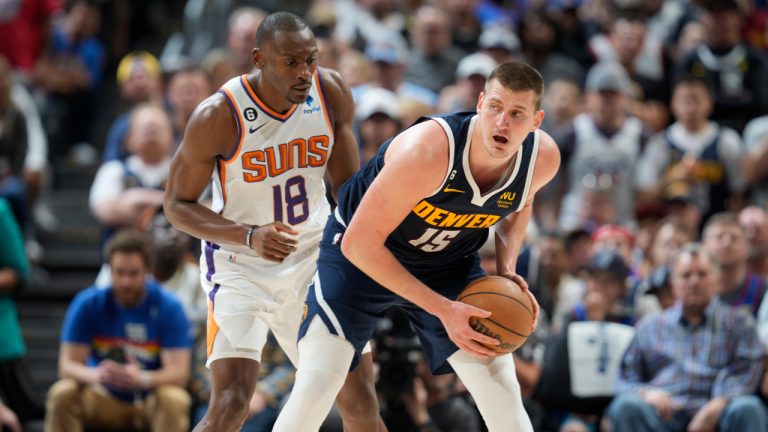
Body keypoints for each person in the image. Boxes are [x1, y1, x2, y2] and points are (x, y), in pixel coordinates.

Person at [273, 61, 560, 432]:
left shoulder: (543, 159)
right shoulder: (427, 151)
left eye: (517, 113)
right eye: (495, 108)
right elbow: (359, 244)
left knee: (502, 389)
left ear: (536, 121)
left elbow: (520, 204)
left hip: (448, 265)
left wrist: (506, 271)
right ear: (480, 102)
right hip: (361, 259)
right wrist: (443, 310)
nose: (502, 122)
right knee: (317, 384)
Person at [162, 12, 384, 432]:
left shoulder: (331, 92)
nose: (304, 73)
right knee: (230, 404)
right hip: (240, 265)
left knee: (360, 402)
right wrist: (248, 236)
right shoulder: (218, 116)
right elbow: (175, 205)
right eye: (290, 62)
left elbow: (348, 195)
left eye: (311, 60)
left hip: (315, 260)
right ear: (259, 58)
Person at [605, 242, 767, 431]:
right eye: (686, 275)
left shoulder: (739, 323)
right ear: (673, 284)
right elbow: (625, 377)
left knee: (748, 407)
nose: (694, 281)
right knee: (626, 407)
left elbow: (747, 372)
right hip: (663, 414)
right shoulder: (649, 326)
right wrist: (646, 393)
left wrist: (720, 403)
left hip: (720, 413)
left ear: (717, 279)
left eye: (702, 274)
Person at [45, 229, 192, 432]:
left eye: (133, 273)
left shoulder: (169, 307)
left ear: (147, 270)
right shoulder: (88, 304)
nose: (126, 282)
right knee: (62, 392)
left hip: (147, 401)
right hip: (102, 397)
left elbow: (178, 374)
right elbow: (66, 366)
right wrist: (99, 375)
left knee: (175, 398)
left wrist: (142, 379)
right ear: (109, 270)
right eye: (119, 272)